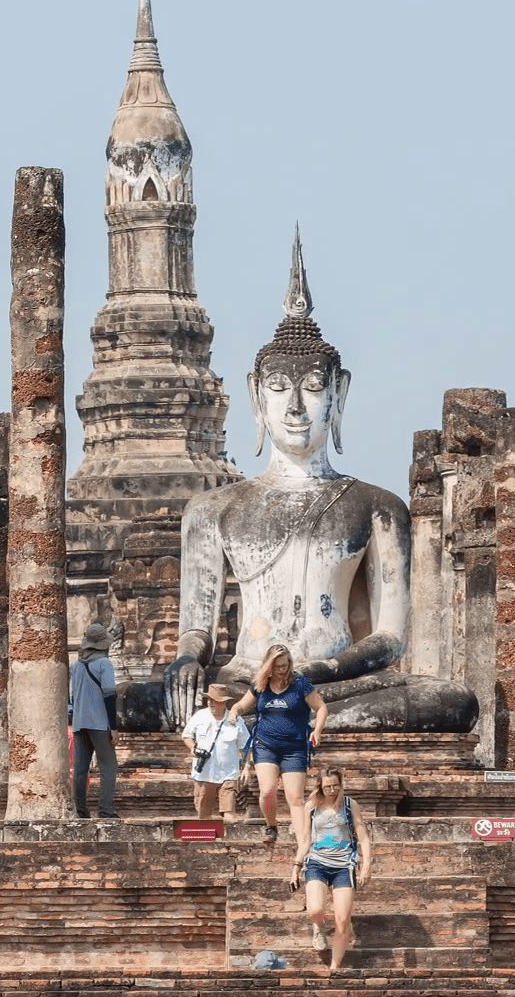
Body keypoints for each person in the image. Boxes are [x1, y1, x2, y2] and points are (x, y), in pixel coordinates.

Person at [139, 233, 477, 736]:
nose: (295, 407)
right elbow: (197, 629)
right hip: (242, 681)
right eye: (278, 389)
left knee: (449, 702)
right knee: (134, 701)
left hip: (335, 683)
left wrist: (317, 673)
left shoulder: (377, 507)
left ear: (338, 394)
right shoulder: (214, 509)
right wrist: (186, 661)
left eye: (313, 388)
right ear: (256, 396)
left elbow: (389, 637)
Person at [224, 643, 325, 842]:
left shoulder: (300, 683)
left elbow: (321, 707)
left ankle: (303, 843)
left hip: (294, 747)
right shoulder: (260, 685)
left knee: (295, 797)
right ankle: (271, 825)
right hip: (266, 745)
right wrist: (234, 712)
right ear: (269, 666)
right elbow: (242, 705)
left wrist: (318, 730)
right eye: (277, 666)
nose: (282, 670)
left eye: (285, 665)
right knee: (268, 790)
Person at [294, 766, 371, 972]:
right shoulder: (311, 806)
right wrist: (296, 866)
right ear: (320, 785)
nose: (332, 790)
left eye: (336, 785)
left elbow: (362, 836)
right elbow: (304, 840)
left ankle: (335, 966)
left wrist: (366, 865)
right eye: (328, 786)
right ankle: (318, 927)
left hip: (344, 865)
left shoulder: (349, 805)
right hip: (317, 862)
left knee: (343, 920)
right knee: (316, 909)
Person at [69, 622, 120, 818]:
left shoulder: (77, 666)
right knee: (109, 767)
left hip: (80, 723)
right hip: (99, 723)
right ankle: (106, 809)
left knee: (81, 770)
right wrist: (113, 727)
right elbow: (109, 696)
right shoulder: (104, 664)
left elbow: (73, 698)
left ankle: (81, 810)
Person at [181, 682, 244, 820]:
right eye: (209, 700)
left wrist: (247, 768)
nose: (211, 703)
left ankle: (229, 840)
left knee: (229, 814)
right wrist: (193, 748)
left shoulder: (236, 720)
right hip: (205, 774)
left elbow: (245, 745)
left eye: (215, 700)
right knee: (204, 815)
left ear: (224, 703)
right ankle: (209, 840)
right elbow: (186, 736)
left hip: (228, 774)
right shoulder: (200, 716)